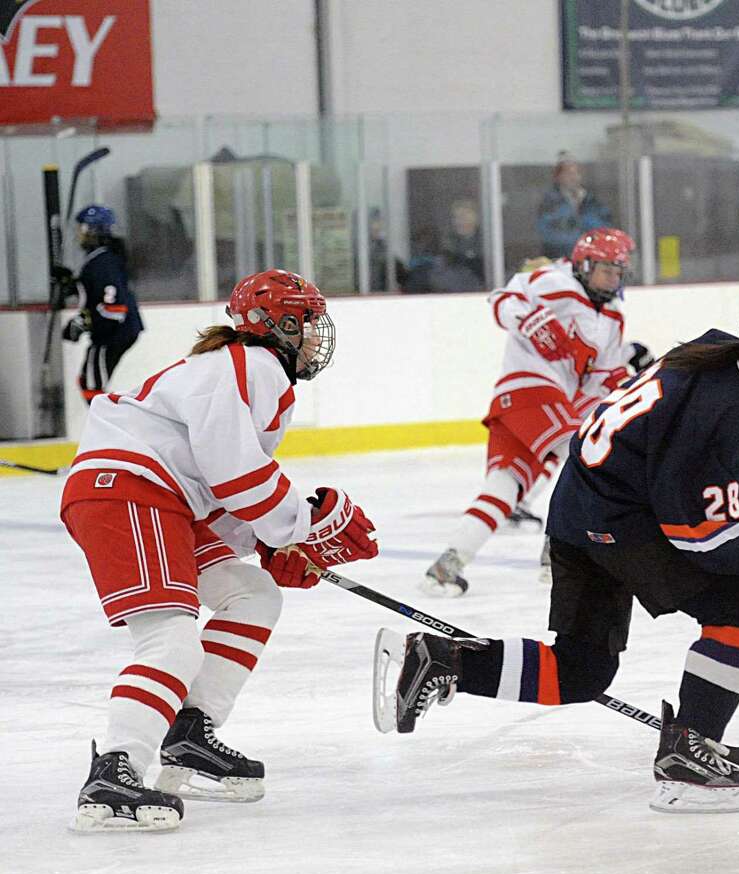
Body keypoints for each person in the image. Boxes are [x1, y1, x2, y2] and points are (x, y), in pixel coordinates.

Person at [384, 278, 739, 814]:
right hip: (616, 520)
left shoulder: (717, 357)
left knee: (582, 670)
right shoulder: (729, 398)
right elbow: (692, 525)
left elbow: (695, 499)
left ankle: (443, 660)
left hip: (580, 510)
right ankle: (688, 754)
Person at [60, 269, 379, 832]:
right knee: (170, 640)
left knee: (253, 594)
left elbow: (220, 485)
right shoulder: (250, 365)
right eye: (305, 323)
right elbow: (236, 474)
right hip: (130, 490)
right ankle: (115, 768)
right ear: (277, 326)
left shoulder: (248, 370)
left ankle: (189, 732)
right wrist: (300, 526)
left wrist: (265, 541)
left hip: (166, 497)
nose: (314, 336)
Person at [419, 228, 653, 597]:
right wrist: (529, 320)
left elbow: (597, 380)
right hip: (529, 391)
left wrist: (630, 376)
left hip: (537, 407)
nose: (612, 278)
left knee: (504, 490)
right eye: (606, 270)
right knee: (584, 460)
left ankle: (446, 567)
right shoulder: (556, 281)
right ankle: (556, 552)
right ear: (584, 265)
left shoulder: (613, 318)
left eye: (618, 272)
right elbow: (502, 299)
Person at [58, 205, 144, 403]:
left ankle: (114, 422)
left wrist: (85, 322)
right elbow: (95, 292)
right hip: (115, 331)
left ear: (92, 230)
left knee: (92, 385)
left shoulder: (103, 262)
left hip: (114, 333)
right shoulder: (101, 258)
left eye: (82, 228)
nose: (79, 234)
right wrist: (72, 284)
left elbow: (114, 307)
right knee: (88, 382)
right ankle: (109, 421)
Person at [536, 153, 613, 260]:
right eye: (568, 173)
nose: (573, 177)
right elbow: (547, 234)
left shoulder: (592, 201)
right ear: (558, 177)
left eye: (576, 173)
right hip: (559, 259)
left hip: (589, 259)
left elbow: (604, 228)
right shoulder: (550, 203)